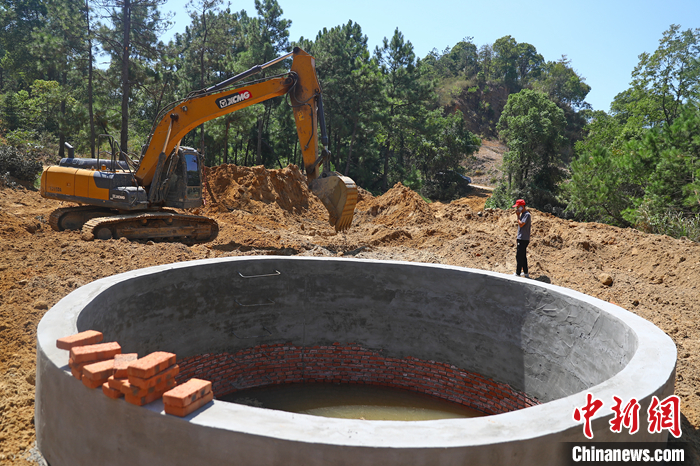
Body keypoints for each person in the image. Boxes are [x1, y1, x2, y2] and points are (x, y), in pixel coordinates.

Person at [513, 199, 531, 278]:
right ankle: (526, 272)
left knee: (519, 256)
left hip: (523, 238)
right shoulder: (523, 214)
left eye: (518, 207)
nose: (517, 209)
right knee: (522, 256)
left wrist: (517, 216)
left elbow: (521, 224)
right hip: (521, 238)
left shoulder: (526, 215)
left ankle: (518, 273)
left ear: (522, 206)